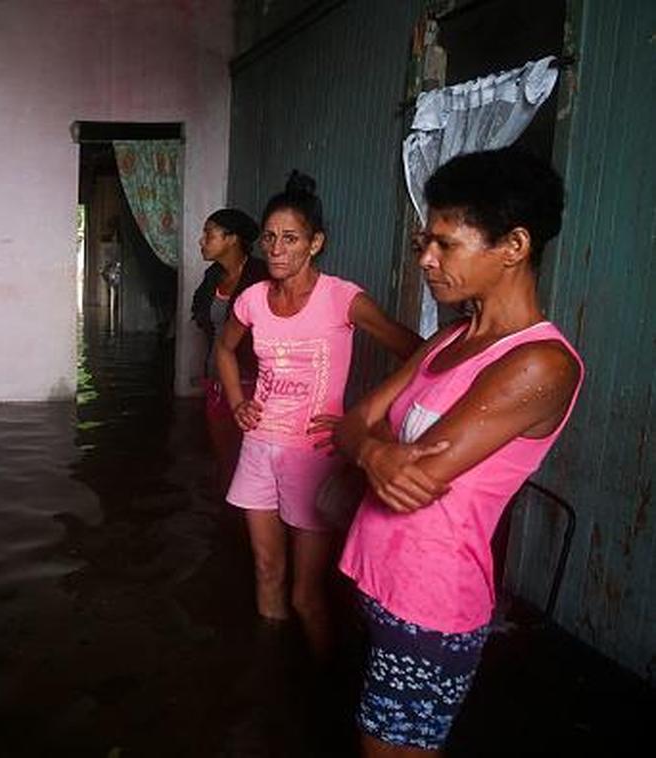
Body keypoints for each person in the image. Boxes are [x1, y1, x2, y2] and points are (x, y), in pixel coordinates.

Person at [334, 147, 583, 756]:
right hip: (376, 574)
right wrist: (373, 452)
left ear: (514, 246)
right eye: (427, 240)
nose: (426, 258)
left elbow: (415, 474)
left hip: (431, 600)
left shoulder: (539, 363)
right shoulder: (451, 337)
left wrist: (373, 449)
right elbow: (352, 423)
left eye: (446, 243)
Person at [215, 172, 421, 659]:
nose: (277, 249)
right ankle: (272, 683)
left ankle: (321, 690)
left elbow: (416, 352)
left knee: (307, 596)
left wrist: (367, 421)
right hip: (258, 448)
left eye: (290, 238)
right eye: (270, 238)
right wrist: (236, 400)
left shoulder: (341, 298)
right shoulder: (251, 300)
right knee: (267, 571)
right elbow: (224, 352)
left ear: (315, 243)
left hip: (313, 455)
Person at [191, 208, 267, 495]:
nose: (202, 241)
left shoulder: (261, 275)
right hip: (217, 380)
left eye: (209, 234)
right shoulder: (213, 277)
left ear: (231, 239)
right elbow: (204, 320)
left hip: (253, 382)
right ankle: (225, 521)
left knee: (251, 461)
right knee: (224, 459)